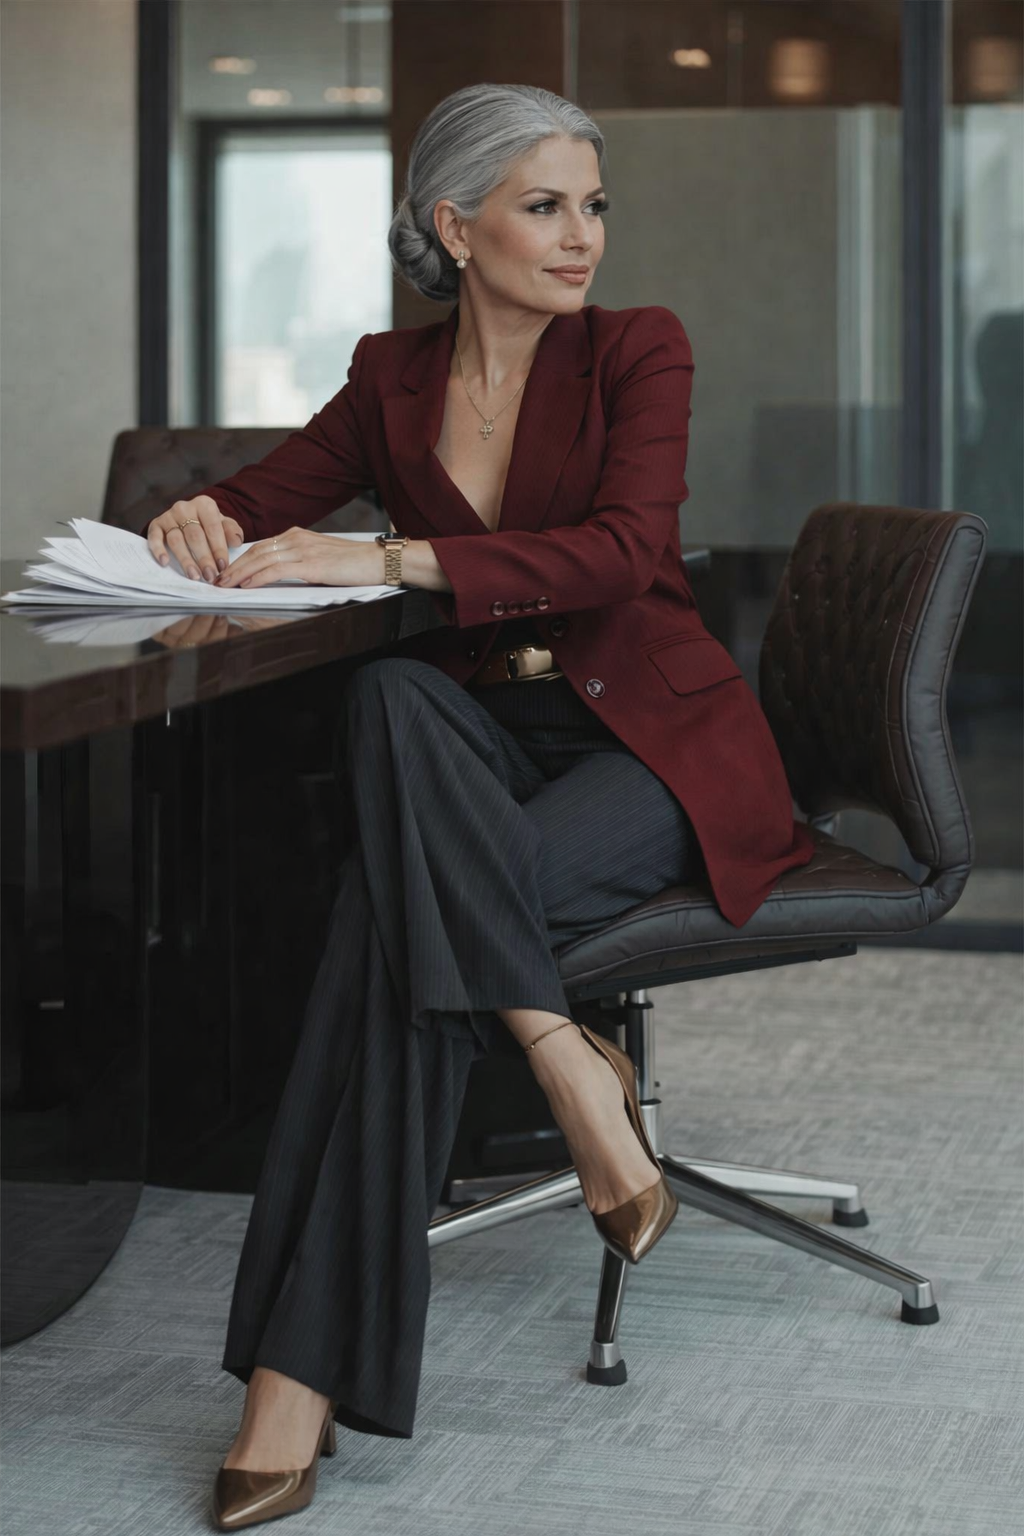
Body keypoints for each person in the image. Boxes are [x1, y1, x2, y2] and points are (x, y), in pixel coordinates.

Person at [143, 83, 816, 1532]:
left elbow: (622, 555)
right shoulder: (391, 376)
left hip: (652, 751)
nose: (583, 238)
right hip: (474, 745)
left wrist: (389, 564)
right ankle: (569, 1064)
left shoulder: (640, 351)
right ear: (457, 225)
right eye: (544, 205)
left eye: (594, 206)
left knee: (390, 934)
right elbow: (262, 504)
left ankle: (290, 1387)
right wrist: (195, 522)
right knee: (390, 703)